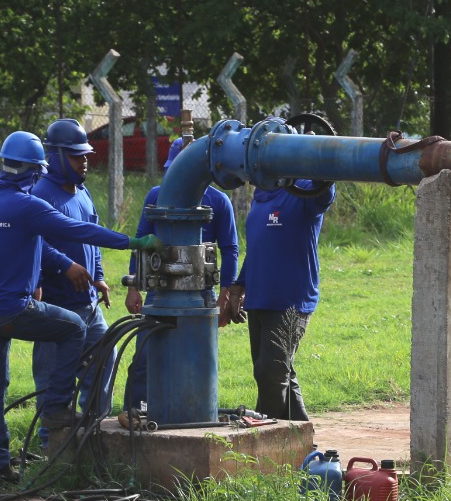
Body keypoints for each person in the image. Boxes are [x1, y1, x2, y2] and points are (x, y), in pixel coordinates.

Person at [0, 130, 158, 489]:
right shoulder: (28, 206)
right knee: (74, 328)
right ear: (34, 171)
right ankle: (57, 407)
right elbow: (79, 231)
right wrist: (133, 241)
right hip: (15, 310)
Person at [117, 136, 240, 425]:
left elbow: (230, 248)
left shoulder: (218, 201)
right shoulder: (156, 196)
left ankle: (193, 411)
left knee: (197, 356)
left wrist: (224, 296)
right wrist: (134, 286)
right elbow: (141, 240)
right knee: (146, 356)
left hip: (201, 293)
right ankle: (135, 411)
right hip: (161, 288)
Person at [31, 119, 115, 443]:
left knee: (104, 359)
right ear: (55, 156)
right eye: (77, 157)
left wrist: (99, 277)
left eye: (85, 156)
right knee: (54, 380)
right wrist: (66, 266)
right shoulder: (40, 194)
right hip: (57, 305)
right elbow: (36, 242)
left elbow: (92, 238)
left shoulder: (83, 193)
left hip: (90, 306)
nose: (84, 163)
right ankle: (46, 446)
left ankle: (92, 437)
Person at [232, 177, 337, 421]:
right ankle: (302, 439)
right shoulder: (261, 195)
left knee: (270, 371)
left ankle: (266, 440)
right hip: (259, 299)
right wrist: (239, 285)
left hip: (291, 301)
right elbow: (258, 248)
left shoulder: (304, 191)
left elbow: (323, 195)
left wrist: (322, 172)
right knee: (276, 372)